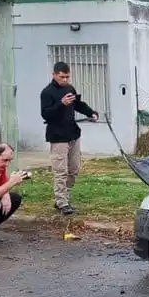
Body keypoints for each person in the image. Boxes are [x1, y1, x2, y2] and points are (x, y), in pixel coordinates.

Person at [40, 61, 98, 215]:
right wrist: (61, 103)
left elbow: (78, 104)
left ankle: (64, 196)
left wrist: (91, 113)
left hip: (73, 133)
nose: (65, 80)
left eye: (67, 77)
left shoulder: (69, 89)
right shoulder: (47, 92)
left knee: (74, 169)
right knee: (60, 171)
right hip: (58, 136)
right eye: (62, 77)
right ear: (54, 75)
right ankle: (61, 202)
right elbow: (46, 114)